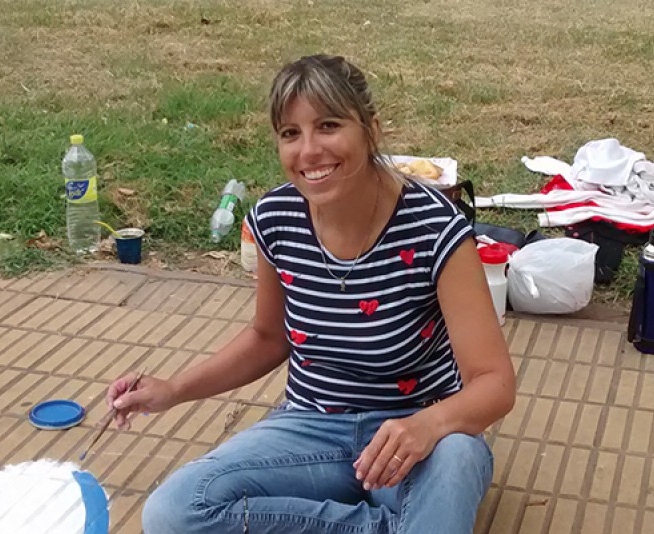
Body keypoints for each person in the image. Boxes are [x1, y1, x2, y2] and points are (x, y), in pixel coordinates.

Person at [107, 54, 516, 534]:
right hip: (312, 429)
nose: (309, 151)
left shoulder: (434, 228)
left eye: (328, 126)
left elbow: (494, 382)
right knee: (175, 511)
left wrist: (429, 426)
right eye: (290, 133)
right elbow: (268, 338)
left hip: (419, 433)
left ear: (371, 131)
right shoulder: (275, 219)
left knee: (457, 458)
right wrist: (174, 390)